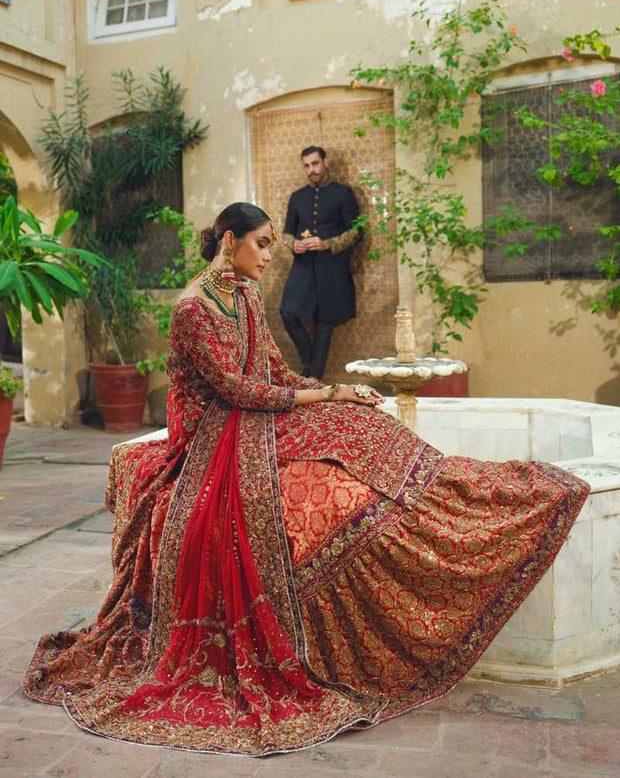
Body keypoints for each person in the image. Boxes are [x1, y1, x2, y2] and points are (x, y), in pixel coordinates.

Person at [24, 201, 589, 757]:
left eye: (272, 244)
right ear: (229, 241)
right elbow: (235, 389)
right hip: (212, 431)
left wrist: (333, 393)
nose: (271, 255)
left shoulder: (243, 294)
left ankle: (462, 497)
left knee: (359, 425)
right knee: (334, 433)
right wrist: (326, 393)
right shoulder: (193, 308)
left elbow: (272, 370)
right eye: (262, 244)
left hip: (252, 414)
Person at [280, 145, 360, 378]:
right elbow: (286, 233)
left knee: (325, 323)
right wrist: (292, 244)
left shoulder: (343, 193)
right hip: (304, 264)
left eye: (315, 163)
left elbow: (357, 231)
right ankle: (309, 362)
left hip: (332, 266)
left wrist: (327, 243)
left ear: (325, 163)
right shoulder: (297, 197)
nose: (311, 170)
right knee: (287, 312)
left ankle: (313, 379)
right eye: (306, 165)